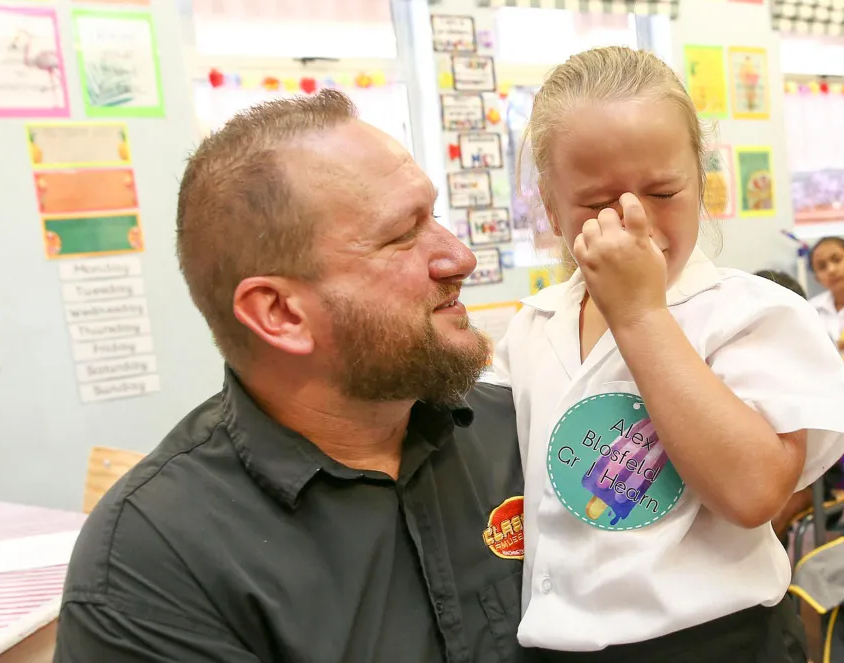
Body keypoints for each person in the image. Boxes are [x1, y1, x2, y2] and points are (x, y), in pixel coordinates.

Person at [53, 90, 526, 663]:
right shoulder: (154, 566)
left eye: (434, 216)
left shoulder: (521, 432)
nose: (460, 258)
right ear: (279, 313)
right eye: (403, 234)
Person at [491, 46, 844, 661]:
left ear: (701, 185)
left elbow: (753, 494)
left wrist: (640, 315)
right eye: (597, 203)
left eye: (663, 191)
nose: (634, 220)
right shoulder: (534, 326)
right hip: (558, 644)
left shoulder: (752, 314)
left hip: (720, 642)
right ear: (552, 209)